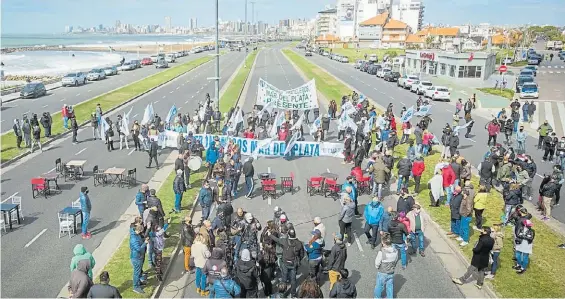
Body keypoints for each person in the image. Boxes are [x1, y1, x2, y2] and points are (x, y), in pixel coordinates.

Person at [268, 228, 305, 298]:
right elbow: (302, 254)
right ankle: (293, 295)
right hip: (293, 264)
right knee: (293, 280)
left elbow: (277, 240)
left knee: (284, 279)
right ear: (295, 234)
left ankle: (282, 294)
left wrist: (270, 235)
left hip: (285, 263)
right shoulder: (299, 243)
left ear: (288, 235)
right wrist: (298, 260)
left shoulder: (284, 241)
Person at [374, 233, 399, 299]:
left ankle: (377, 297)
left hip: (382, 272)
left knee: (379, 286)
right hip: (391, 272)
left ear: (383, 242)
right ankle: (390, 297)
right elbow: (396, 260)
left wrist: (377, 267)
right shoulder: (395, 251)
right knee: (390, 286)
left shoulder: (382, 252)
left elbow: (377, 263)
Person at [130, 224, 148, 294]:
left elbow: (140, 241)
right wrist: (145, 243)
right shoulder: (133, 239)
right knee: (136, 273)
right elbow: (138, 249)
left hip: (139, 256)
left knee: (138, 271)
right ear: (137, 230)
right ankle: (136, 287)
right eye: (140, 231)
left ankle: (139, 282)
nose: (141, 232)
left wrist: (143, 240)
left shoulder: (136, 235)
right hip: (136, 257)